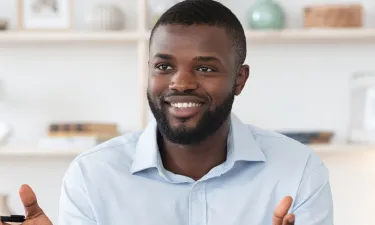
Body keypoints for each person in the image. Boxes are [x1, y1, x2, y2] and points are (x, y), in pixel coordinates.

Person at [1, 1, 333, 225]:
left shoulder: (298, 171)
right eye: (164, 66)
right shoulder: (92, 177)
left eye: (205, 67)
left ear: (239, 79)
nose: (181, 83)